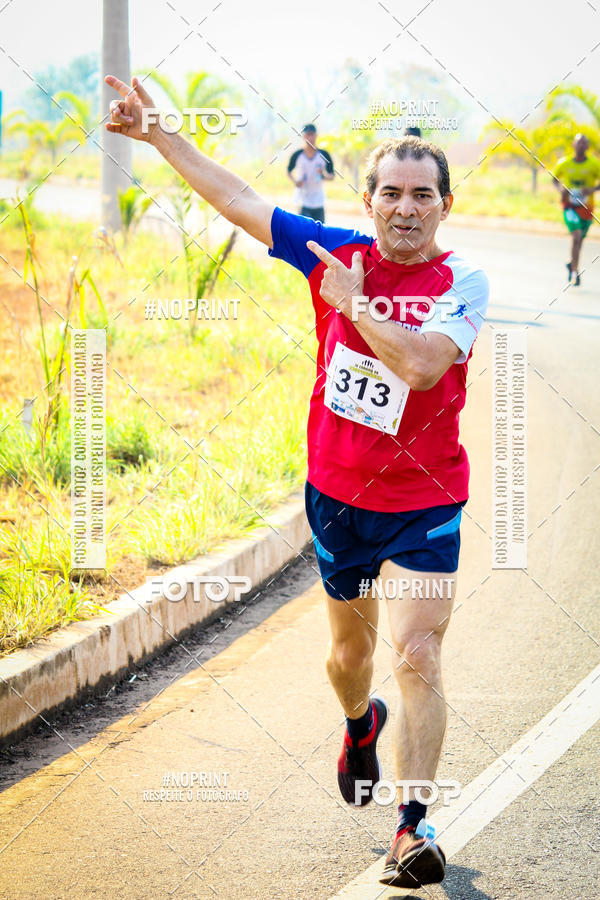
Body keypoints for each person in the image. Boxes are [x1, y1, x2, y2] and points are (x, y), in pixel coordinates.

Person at [105, 77, 489, 889]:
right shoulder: (333, 255)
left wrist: (354, 309)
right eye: (391, 192)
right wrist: (159, 136)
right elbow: (239, 198)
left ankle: (410, 831)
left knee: (417, 651)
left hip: (425, 501)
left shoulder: (463, 286)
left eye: (424, 195)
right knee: (349, 658)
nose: (406, 208)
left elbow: (421, 368)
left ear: (445, 207)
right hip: (338, 497)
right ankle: (359, 725)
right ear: (369, 198)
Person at [553, 133, 600, 286]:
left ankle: (571, 263)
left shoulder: (594, 164)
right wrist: (561, 190)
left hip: (587, 208)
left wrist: (591, 190)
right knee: (576, 236)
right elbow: (554, 179)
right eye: (578, 143)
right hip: (569, 207)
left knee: (580, 241)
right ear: (573, 145)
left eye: (584, 143)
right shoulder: (564, 163)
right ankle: (575, 272)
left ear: (587, 147)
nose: (581, 145)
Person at [287, 124, 334, 223]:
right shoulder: (297, 155)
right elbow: (288, 171)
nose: (310, 137)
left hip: (319, 201)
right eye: (308, 135)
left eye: (312, 134)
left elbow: (331, 175)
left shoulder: (324, 155)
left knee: (319, 232)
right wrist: (296, 182)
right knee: (304, 231)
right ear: (303, 136)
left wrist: (323, 175)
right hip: (302, 200)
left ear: (316, 136)